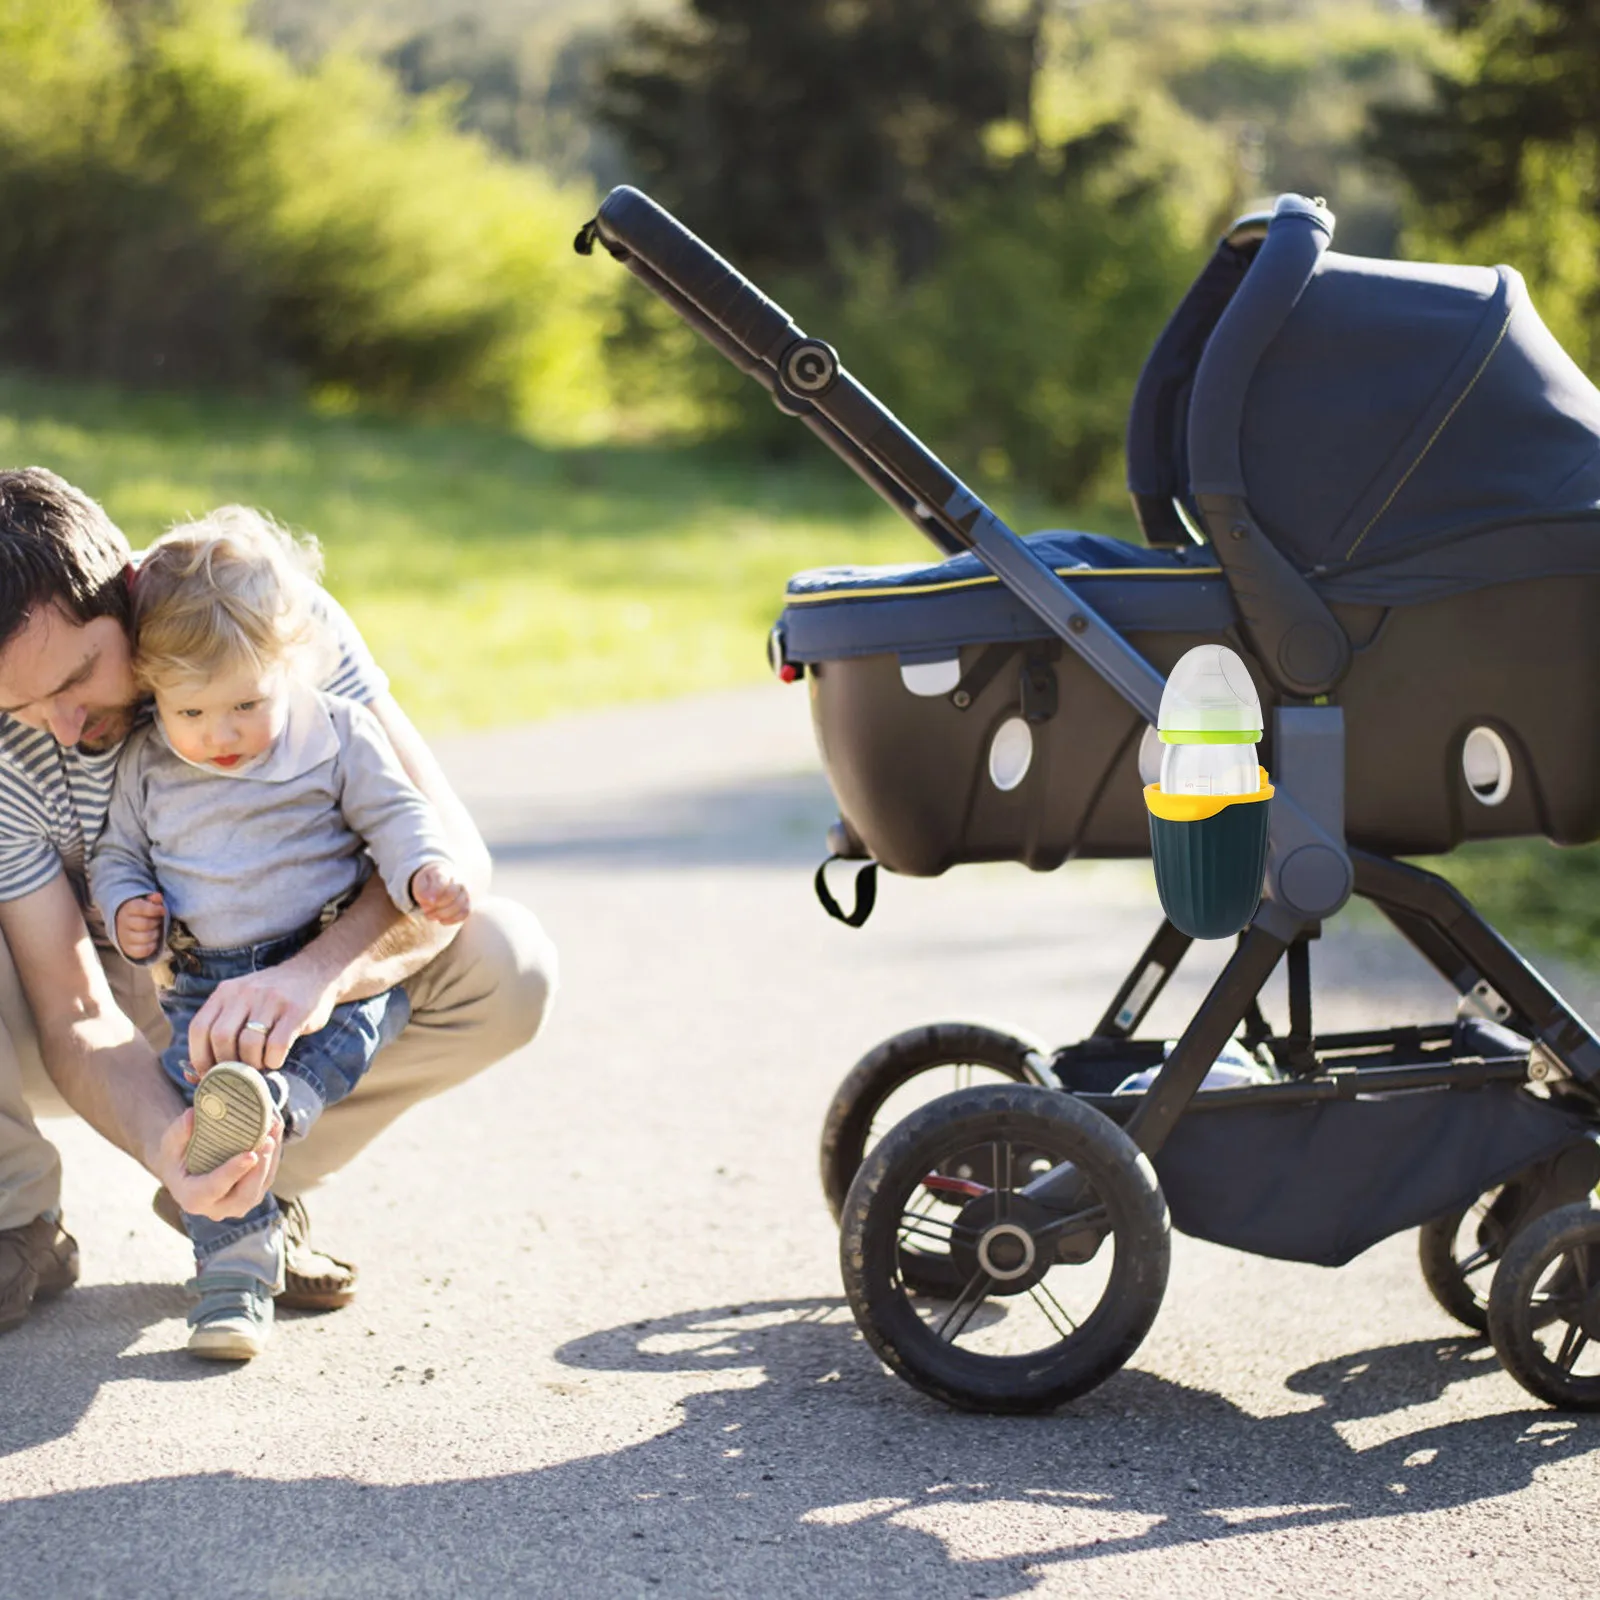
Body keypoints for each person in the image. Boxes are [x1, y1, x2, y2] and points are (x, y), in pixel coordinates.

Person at [0, 467, 557, 1338]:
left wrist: (319, 976)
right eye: (21, 704)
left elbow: (453, 852)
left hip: (282, 980)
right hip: (79, 1000)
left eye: (78, 676)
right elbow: (74, 1013)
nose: (64, 726)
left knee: (505, 961)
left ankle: (248, 1185)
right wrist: (161, 1142)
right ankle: (15, 1217)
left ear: (127, 589)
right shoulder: (15, 744)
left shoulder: (250, 612)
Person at [89, 511, 474, 1358]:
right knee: (202, 1126)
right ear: (152, 690)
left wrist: (425, 876)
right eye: (190, 709)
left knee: (334, 1042)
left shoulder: (338, 734)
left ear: (290, 665)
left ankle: (276, 1106)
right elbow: (118, 855)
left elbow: (399, 822)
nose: (218, 734)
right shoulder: (149, 762)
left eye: (245, 704)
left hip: (323, 958)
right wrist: (128, 912)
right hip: (205, 984)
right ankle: (229, 1293)